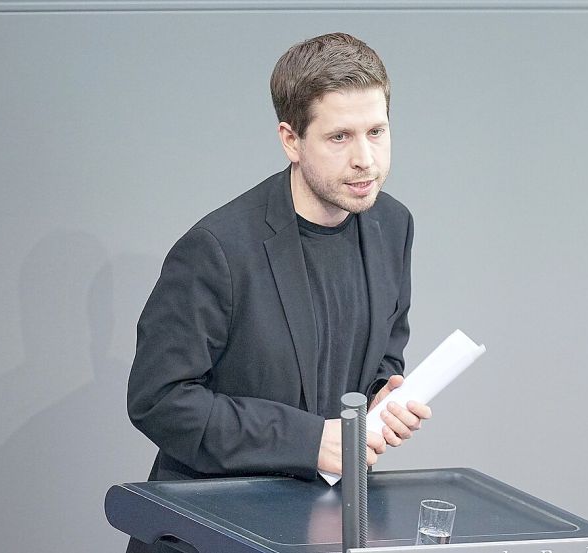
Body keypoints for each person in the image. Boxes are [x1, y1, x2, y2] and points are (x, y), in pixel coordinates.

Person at [125, 32, 431, 552]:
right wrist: (311, 441)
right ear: (290, 139)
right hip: (213, 531)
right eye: (340, 137)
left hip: (323, 528)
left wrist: (378, 406)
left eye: (376, 131)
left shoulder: (392, 225)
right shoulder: (217, 248)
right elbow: (160, 400)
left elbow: (382, 353)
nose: (365, 159)